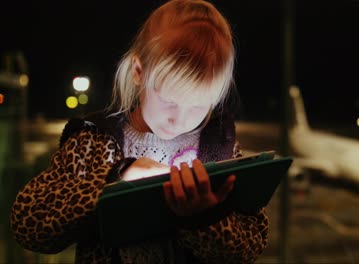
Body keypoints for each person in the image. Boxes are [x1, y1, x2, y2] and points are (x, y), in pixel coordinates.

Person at [10, 0, 269, 263]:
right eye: (169, 101)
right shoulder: (95, 141)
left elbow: (250, 246)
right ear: (138, 71)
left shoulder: (220, 148)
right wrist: (115, 177)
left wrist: (203, 217)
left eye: (199, 106)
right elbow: (29, 224)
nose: (178, 120)